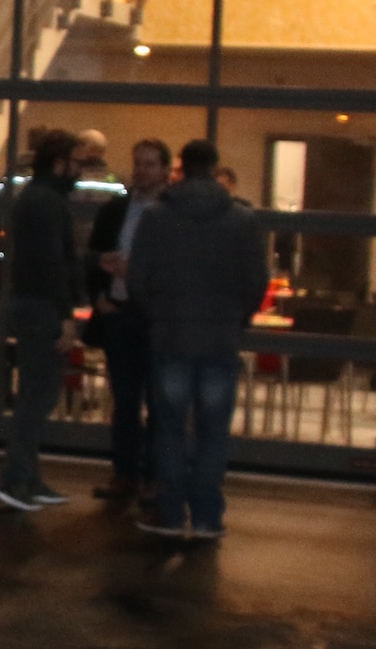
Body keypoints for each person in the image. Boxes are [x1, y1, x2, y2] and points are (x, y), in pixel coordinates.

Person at [126, 139, 268, 541]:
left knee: (169, 429)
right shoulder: (242, 220)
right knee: (213, 431)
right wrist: (237, 318)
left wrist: (157, 314)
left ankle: (170, 513)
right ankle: (207, 516)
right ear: (215, 167)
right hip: (220, 337)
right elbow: (256, 281)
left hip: (171, 336)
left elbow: (138, 279)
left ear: (181, 168)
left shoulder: (158, 217)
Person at [0, 127, 82, 512]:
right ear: (60, 163)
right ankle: (17, 479)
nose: (79, 171)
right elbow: (52, 263)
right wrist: (66, 315)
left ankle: (27, 476)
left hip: (29, 303)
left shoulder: (33, 197)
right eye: (76, 162)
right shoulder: (49, 203)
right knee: (38, 396)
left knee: (35, 393)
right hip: (42, 307)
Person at [83, 137, 170, 503]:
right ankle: (124, 474)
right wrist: (100, 298)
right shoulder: (116, 209)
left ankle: (154, 477)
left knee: (159, 402)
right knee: (124, 400)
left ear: (165, 170)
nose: (142, 171)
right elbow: (93, 255)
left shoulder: (172, 213)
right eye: (138, 163)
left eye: (150, 164)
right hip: (119, 312)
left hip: (157, 318)